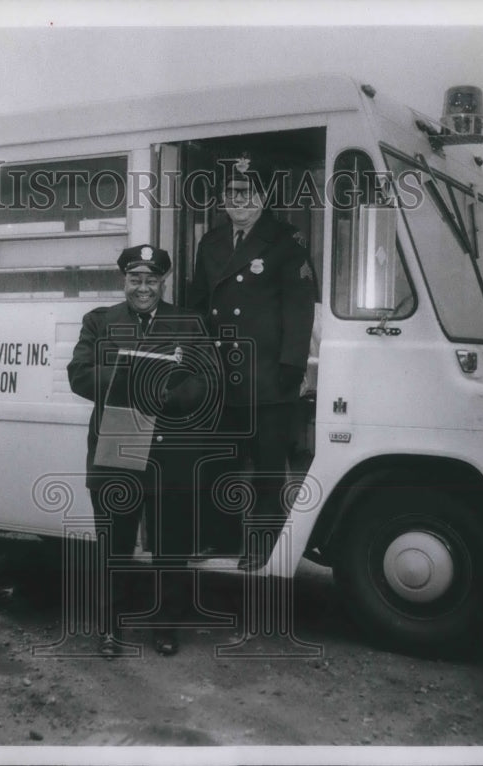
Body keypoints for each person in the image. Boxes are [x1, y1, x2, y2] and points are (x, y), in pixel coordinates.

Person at [68, 244, 210, 657]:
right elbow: (79, 373)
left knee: (171, 545)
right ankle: (110, 628)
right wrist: (129, 378)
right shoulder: (99, 322)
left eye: (151, 280)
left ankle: (165, 628)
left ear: (162, 281)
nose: (142, 288)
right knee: (114, 543)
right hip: (118, 437)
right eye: (135, 280)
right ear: (123, 281)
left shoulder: (188, 323)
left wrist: (166, 394)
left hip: (171, 446)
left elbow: (204, 381)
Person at [187, 153, 316, 570]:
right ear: (222, 200)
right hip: (222, 373)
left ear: (262, 197)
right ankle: (220, 540)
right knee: (221, 461)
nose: (238, 199)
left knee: (266, 469)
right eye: (230, 192)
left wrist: (292, 366)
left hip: (267, 375)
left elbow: (300, 309)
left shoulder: (285, 240)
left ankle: (262, 545)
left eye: (247, 191)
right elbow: (199, 304)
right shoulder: (211, 243)